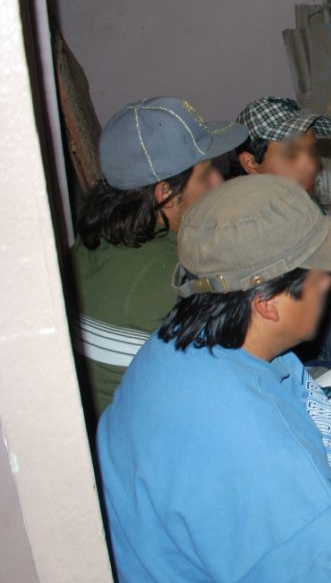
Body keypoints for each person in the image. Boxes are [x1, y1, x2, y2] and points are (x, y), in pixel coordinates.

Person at [98, 174, 331, 583]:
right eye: (319, 272)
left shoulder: (184, 336)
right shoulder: (253, 447)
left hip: (183, 570)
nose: (329, 283)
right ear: (266, 303)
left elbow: (309, 406)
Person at [71, 97, 247, 417]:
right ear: (165, 193)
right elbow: (238, 383)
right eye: (207, 174)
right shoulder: (177, 277)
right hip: (145, 444)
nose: (220, 182)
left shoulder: (87, 244)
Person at [235, 96, 331, 366]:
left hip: (322, 330)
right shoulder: (236, 230)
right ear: (251, 163)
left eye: (310, 149)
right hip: (277, 358)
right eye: (291, 153)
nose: (309, 164)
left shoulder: (303, 205)